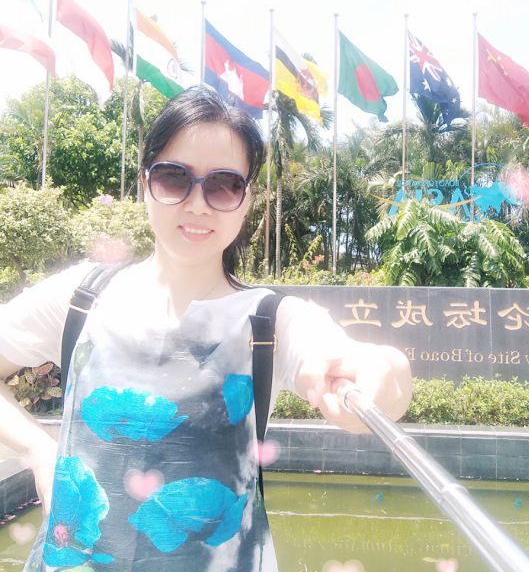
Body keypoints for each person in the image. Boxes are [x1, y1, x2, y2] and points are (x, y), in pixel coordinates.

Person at [0, 85, 412, 572]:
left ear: (246, 199)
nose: (197, 204)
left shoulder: (268, 320)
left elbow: (371, 369)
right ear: (146, 183)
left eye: (223, 185)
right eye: (174, 177)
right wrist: (38, 449)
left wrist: (378, 374)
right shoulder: (82, 297)